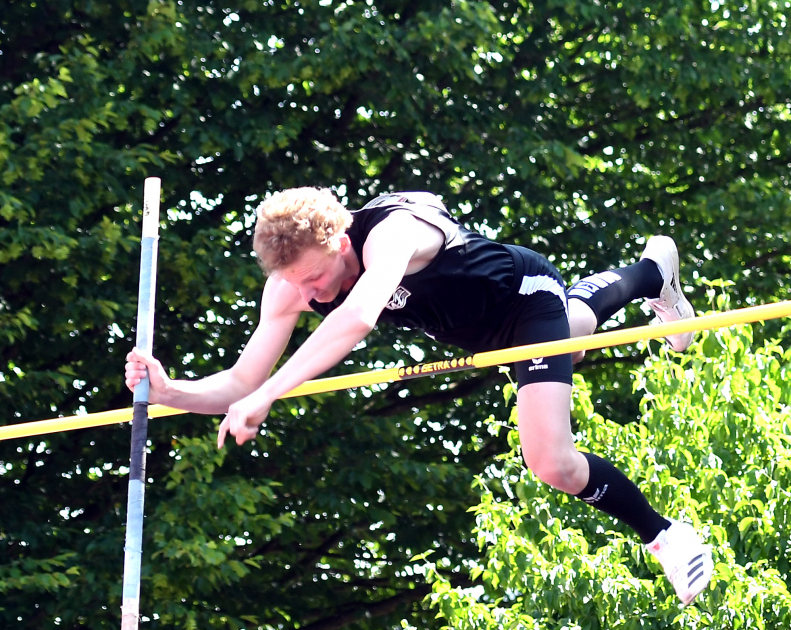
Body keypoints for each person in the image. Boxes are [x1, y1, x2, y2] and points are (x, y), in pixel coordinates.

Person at [125, 188, 713, 605]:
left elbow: (356, 317)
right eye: (296, 285)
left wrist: (271, 397)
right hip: (482, 334)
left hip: (522, 297)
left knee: (550, 460)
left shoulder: (392, 231)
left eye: (315, 277)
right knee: (577, 328)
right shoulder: (289, 288)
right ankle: (650, 272)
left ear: (340, 237)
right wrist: (169, 390)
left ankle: (665, 535)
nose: (309, 294)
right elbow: (239, 383)